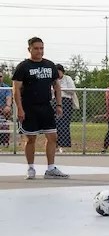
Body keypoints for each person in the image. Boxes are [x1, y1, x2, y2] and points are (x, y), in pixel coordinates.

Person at [12, 36, 68, 179]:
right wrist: (20, 108)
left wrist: (59, 104)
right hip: (29, 107)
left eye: (41, 48)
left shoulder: (49, 65)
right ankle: (31, 168)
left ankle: (50, 169)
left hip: (46, 107)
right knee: (30, 139)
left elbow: (56, 85)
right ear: (29, 49)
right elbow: (16, 89)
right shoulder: (23, 67)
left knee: (53, 137)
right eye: (36, 48)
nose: (39, 51)